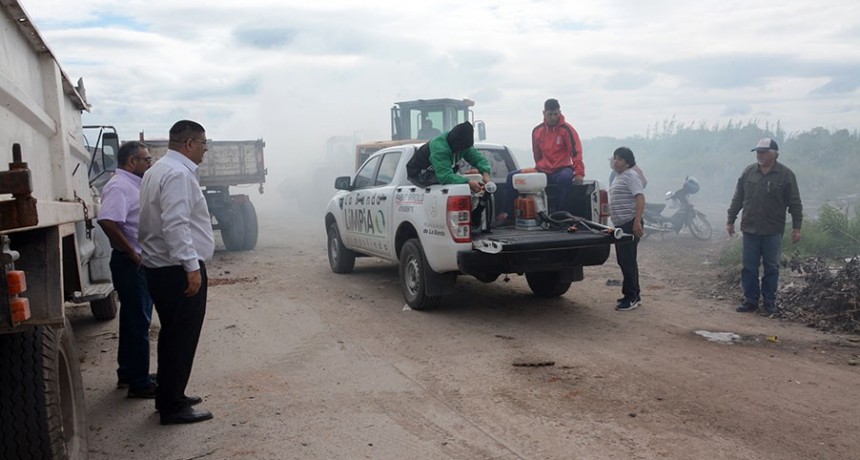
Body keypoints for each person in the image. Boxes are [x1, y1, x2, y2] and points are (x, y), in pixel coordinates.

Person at [139, 120, 214, 425]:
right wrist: (192, 267)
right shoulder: (178, 174)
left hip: (162, 267)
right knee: (181, 337)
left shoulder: (157, 169)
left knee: (173, 335)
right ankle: (172, 406)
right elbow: (176, 224)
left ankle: (171, 395)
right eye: (203, 144)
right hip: (176, 269)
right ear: (189, 144)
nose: (205, 151)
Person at [97, 141, 156, 399]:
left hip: (135, 262)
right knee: (139, 322)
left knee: (132, 320)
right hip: (131, 264)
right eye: (146, 159)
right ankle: (139, 383)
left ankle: (129, 373)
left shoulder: (133, 184)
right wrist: (133, 254)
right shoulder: (120, 186)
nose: (149, 162)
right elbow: (108, 221)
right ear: (132, 161)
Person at [727, 138, 803, 316]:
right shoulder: (749, 172)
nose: (759, 155)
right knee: (749, 267)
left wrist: (797, 228)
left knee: (772, 267)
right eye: (758, 152)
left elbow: (795, 203)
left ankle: (769, 302)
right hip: (750, 228)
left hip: (772, 230)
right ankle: (750, 301)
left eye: (763, 152)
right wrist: (731, 219)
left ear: (774, 154)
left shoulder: (785, 175)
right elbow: (738, 198)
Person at [497, 98, 585, 223]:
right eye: (550, 114)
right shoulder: (537, 131)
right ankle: (507, 214)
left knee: (566, 179)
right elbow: (536, 153)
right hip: (542, 169)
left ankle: (561, 216)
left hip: (561, 169)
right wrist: (539, 167)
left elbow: (576, 152)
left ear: (559, 112)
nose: (553, 117)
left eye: (556, 114)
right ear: (544, 113)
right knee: (512, 177)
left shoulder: (567, 130)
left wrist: (579, 172)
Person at [406, 121, 492, 193]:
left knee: (460, 180)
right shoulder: (439, 148)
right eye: (461, 149)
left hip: (438, 171)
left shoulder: (464, 144)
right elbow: (444, 176)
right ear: (455, 144)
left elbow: (478, 159)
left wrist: (485, 173)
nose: (463, 150)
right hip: (419, 174)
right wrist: (468, 182)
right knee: (456, 184)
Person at [609, 147, 645, 311]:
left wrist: (637, 222)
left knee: (627, 260)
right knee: (625, 260)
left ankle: (631, 297)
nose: (616, 161)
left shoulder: (630, 176)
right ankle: (633, 294)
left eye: (620, 159)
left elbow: (640, 197)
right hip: (621, 225)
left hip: (630, 224)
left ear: (628, 162)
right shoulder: (619, 177)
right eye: (615, 158)